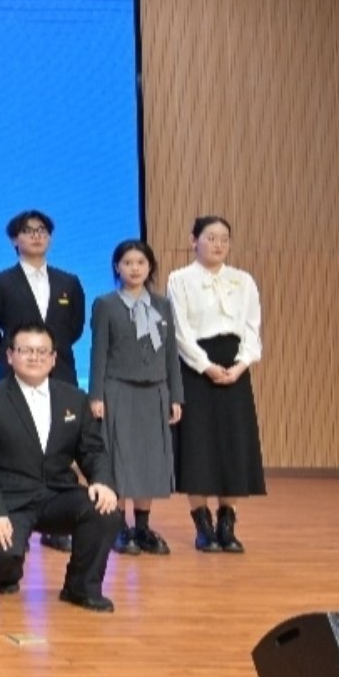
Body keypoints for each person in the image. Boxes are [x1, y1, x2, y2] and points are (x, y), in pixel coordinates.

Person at [0, 324, 123, 613]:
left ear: (53, 359)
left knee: (105, 510)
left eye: (42, 352)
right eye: (26, 350)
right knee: (1, 552)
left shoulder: (74, 398)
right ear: (10, 356)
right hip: (10, 500)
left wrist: (102, 480)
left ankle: (81, 587)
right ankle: (8, 572)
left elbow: (92, 450)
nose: (34, 357)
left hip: (57, 495)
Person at [0, 209, 87, 555]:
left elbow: (74, 328)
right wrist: (10, 359)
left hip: (60, 373)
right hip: (14, 377)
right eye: (28, 230)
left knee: (59, 445)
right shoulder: (0, 282)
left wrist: (47, 358)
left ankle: (56, 523)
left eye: (42, 230)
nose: (36, 236)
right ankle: (15, 514)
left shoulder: (69, 282)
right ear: (15, 239)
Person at [167, 215, 264, 553]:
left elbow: (252, 328)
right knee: (198, 445)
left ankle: (228, 524)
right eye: (210, 237)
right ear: (194, 241)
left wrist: (241, 365)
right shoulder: (179, 279)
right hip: (196, 367)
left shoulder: (244, 280)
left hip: (235, 365)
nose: (218, 244)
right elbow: (179, 332)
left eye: (224, 238)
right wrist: (206, 366)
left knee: (232, 443)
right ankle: (203, 526)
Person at [88, 240, 184, 557]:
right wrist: (96, 395)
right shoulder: (106, 304)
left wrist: (176, 396)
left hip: (155, 392)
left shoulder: (162, 305)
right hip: (118, 390)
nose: (134, 268)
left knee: (149, 461)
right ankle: (119, 527)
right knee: (120, 460)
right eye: (127, 262)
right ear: (117, 267)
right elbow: (99, 353)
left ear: (150, 267)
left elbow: (170, 353)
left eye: (141, 262)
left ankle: (142, 527)